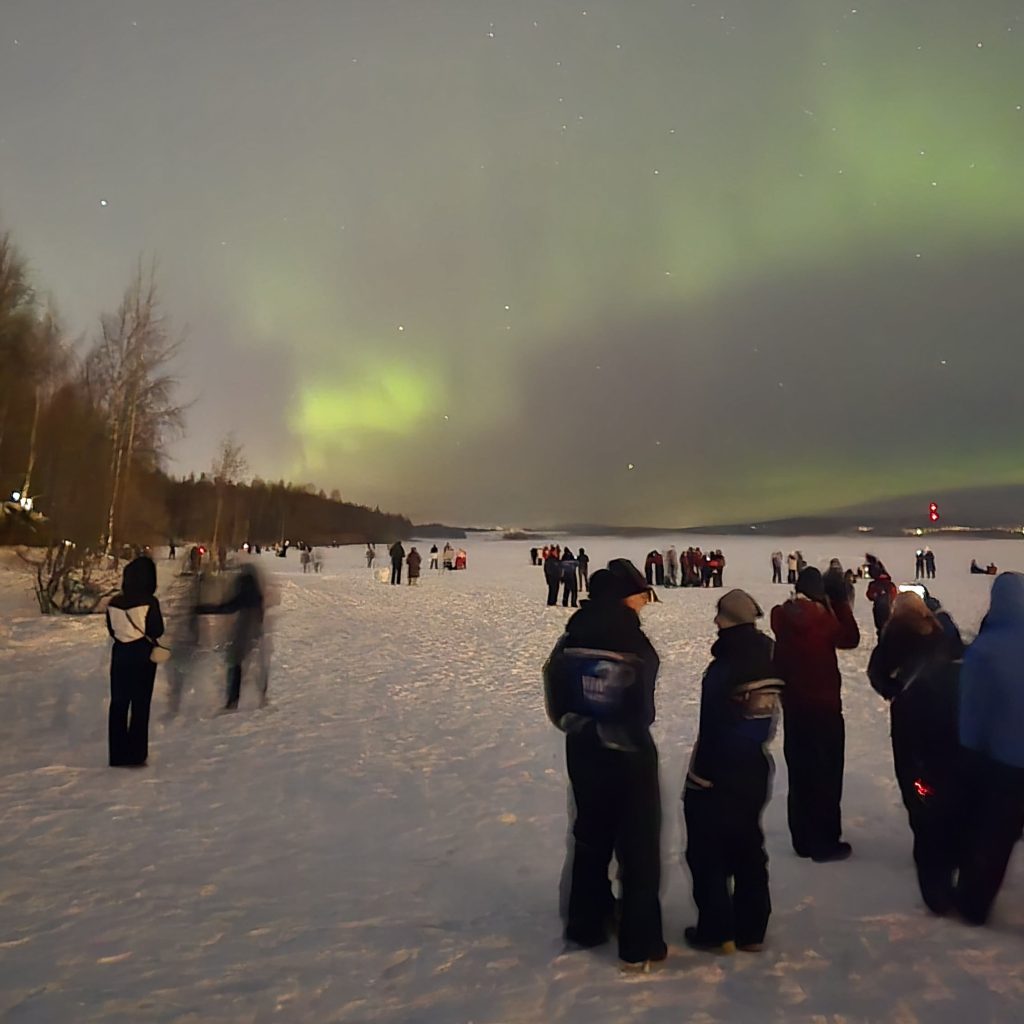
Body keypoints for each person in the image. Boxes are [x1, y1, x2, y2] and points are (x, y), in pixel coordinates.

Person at [543, 560, 666, 970]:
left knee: (590, 835)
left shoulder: (573, 632)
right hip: (629, 752)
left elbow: (553, 680)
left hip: (583, 748)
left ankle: (586, 923)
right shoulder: (634, 641)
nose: (643, 604)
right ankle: (639, 940)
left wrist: (572, 721)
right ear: (623, 596)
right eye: (640, 597)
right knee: (638, 844)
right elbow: (643, 705)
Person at [683, 590, 784, 954]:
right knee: (748, 846)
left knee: (706, 850)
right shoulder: (768, 656)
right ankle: (752, 929)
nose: (714, 622)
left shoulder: (726, 665)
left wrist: (701, 778)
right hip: (755, 765)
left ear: (726, 620)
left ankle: (717, 930)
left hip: (720, 771)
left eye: (719, 615)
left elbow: (713, 725)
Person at [868, 591, 965, 914]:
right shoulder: (937, 630)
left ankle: (926, 846)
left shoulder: (894, 634)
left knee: (913, 778)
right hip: (944, 715)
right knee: (940, 778)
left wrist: (893, 692)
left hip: (909, 716)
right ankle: (948, 847)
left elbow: (876, 673)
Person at [771, 567, 860, 861]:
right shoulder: (823, 621)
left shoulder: (781, 616)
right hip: (824, 708)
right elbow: (851, 638)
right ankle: (825, 841)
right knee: (826, 774)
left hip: (794, 708)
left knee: (800, 773)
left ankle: (802, 838)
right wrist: (841, 603)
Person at [956, 572, 1024, 925]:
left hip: (1004, 763)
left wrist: (970, 754)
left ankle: (973, 906)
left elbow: (972, 711)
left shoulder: (985, 650)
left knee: (992, 839)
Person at [105, 556, 164, 767]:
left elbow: (112, 630)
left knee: (118, 704)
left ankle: (117, 754)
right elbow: (157, 630)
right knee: (140, 705)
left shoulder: (114, 602)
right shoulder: (150, 602)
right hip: (143, 656)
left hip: (120, 654)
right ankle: (136, 753)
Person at [196, 565, 268, 710]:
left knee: (235, 664)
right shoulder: (257, 596)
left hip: (244, 634)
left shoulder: (244, 595)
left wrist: (202, 608)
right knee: (253, 666)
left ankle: (233, 700)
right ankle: (261, 695)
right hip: (255, 633)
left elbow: (227, 607)